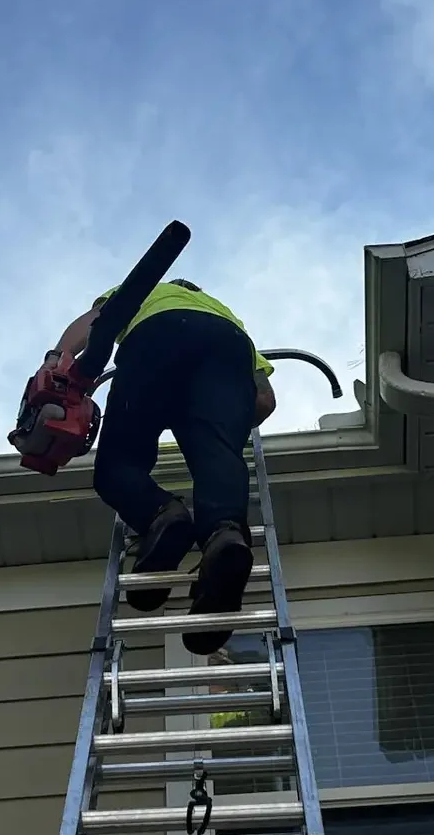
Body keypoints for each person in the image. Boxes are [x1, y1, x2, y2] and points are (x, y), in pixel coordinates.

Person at [53, 278, 275, 655]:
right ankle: (222, 537)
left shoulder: (148, 289)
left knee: (119, 464)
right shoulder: (227, 315)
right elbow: (264, 401)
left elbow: (97, 321)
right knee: (217, 457)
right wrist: (217, 428)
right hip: (227, 348)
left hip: (157, 337)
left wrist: (57, 361)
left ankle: (162, 515)